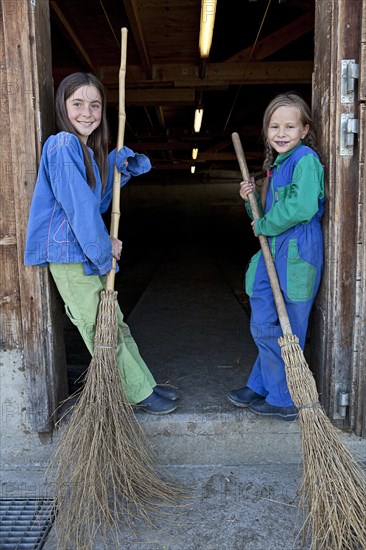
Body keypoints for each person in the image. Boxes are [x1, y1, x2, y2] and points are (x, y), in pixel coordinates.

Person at [24, 72, 178, 415]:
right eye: (77, 103)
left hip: (82, 247)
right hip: (67, 252)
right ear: (63, 107)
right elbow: (78, 209)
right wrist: (103, 247)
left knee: (114, 319)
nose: (87, 112)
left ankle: (144, 384)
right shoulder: (62, 145)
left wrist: (114, 164)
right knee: (98, 324)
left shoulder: (87, 152)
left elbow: (97, 204)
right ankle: (135, 392)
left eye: (95, 104)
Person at [227, 92, 324, 421]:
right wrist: (250, 200)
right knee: (264, 321)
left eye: (289, 126)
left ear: (304, 130)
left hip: (298, 249)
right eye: (274, 127)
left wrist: (265, 222)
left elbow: (302, 207)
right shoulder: (274, 168)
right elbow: (261, 219)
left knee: (289, 327)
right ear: (267, 131)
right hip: (273, 247)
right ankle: (263, 383)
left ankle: (282, 398)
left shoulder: (305, 160)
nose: (281, 133)